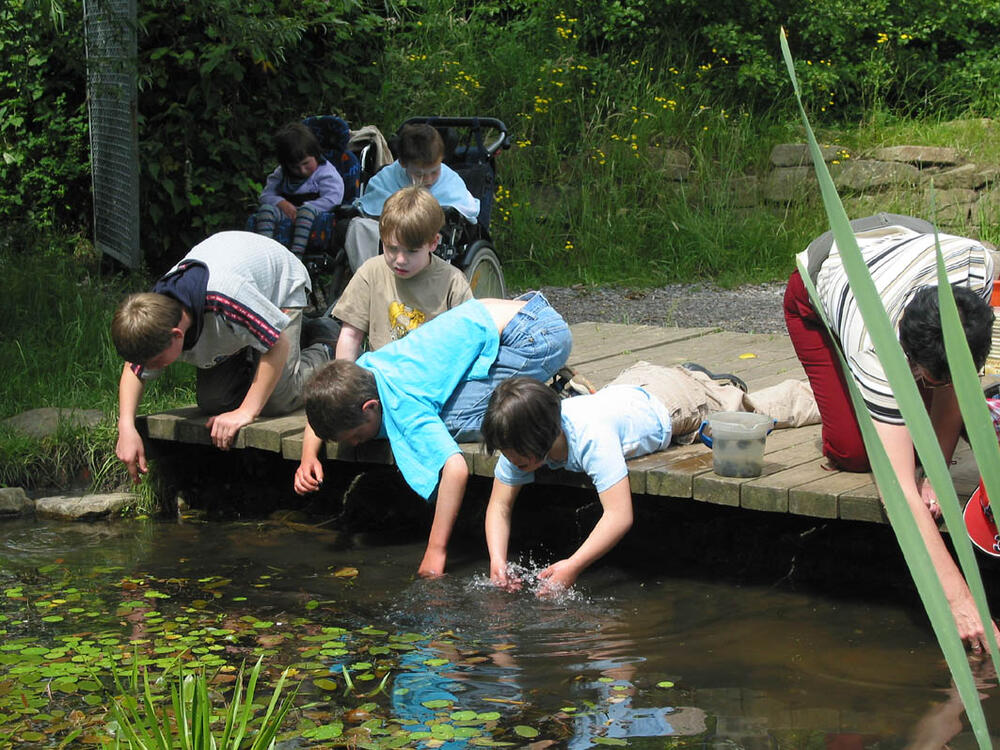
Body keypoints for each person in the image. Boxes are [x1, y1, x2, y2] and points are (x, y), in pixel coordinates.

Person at [783, 213, 998, 653]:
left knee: (925, 424)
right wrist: (960, 601)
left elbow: (956, 383)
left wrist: (934, 476)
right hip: (821, 280)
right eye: (924, 375)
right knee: (858, 453)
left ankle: (907, 398)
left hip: (907, 239)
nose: (933, 384)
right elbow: (895, 491)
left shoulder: (979, 269)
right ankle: (821, 394)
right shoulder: (873, 343)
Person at [480, 365, 819, 594]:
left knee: (746, 411)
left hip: (673, 403)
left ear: (540, 441)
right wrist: (497, 559)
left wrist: (573, 565)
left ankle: (819, 393)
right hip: (629, 387)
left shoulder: (591, 437)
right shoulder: (522, 439)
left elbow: (619, 514)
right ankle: (693, 375)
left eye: (516, 457)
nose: (511, 463)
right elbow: (499, 505)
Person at [300, 293, 572, 577]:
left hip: (537, 338)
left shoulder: (404, 404)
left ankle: (549, 400)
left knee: (448, 422)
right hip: (522, 316)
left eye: (355, 435)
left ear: (371, 407)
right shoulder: (363, 370)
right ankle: (538, 389)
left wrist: (436, 549)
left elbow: (455, 469)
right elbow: (322, 402)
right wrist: (308, 455)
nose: (354, 443)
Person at [112, 231, 336, 481]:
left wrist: (247, 412)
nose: (152, 369)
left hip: (280, 287)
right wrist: (126, 427)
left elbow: (278, 343)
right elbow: (133, 369)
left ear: (177, 335)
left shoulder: (226, 298)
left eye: (156, 362)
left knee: (276, 401)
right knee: (215, 402)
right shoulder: (156, 315)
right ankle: (256, 348)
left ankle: (324, 342)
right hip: (237, 318)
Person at [293, 185, 473, 495]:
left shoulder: (451, 281)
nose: (399, 260)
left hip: (428, 389)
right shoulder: (371, 273)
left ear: (434, 243)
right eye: (391, 248)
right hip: (381, 390)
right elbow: (349, 340)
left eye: (411, 252)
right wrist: (309, 453)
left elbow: (471, 342)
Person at [344, 123, 479, 271]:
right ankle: (370, 282)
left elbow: (464, 212)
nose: (428, 179)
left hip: (425, 239)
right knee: (359, 226)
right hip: (388, 236)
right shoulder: (387, 177)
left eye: (434, 172)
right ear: (403, 163)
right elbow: (370, 208)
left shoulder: (450, 181)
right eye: (419, 174)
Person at [252, 122, 345, 256]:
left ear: (316, 154)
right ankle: (266, 254)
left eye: (306, 164)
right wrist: (281, 203)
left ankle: (297, 255)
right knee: (266, 210)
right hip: (286, 212)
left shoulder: (326, 173)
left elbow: (333, 199)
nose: (302, 170)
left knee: (306, 213)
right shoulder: (282, 173)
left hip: (315, 213)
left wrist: (304, 208)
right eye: (294, 167)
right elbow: (265, 195)